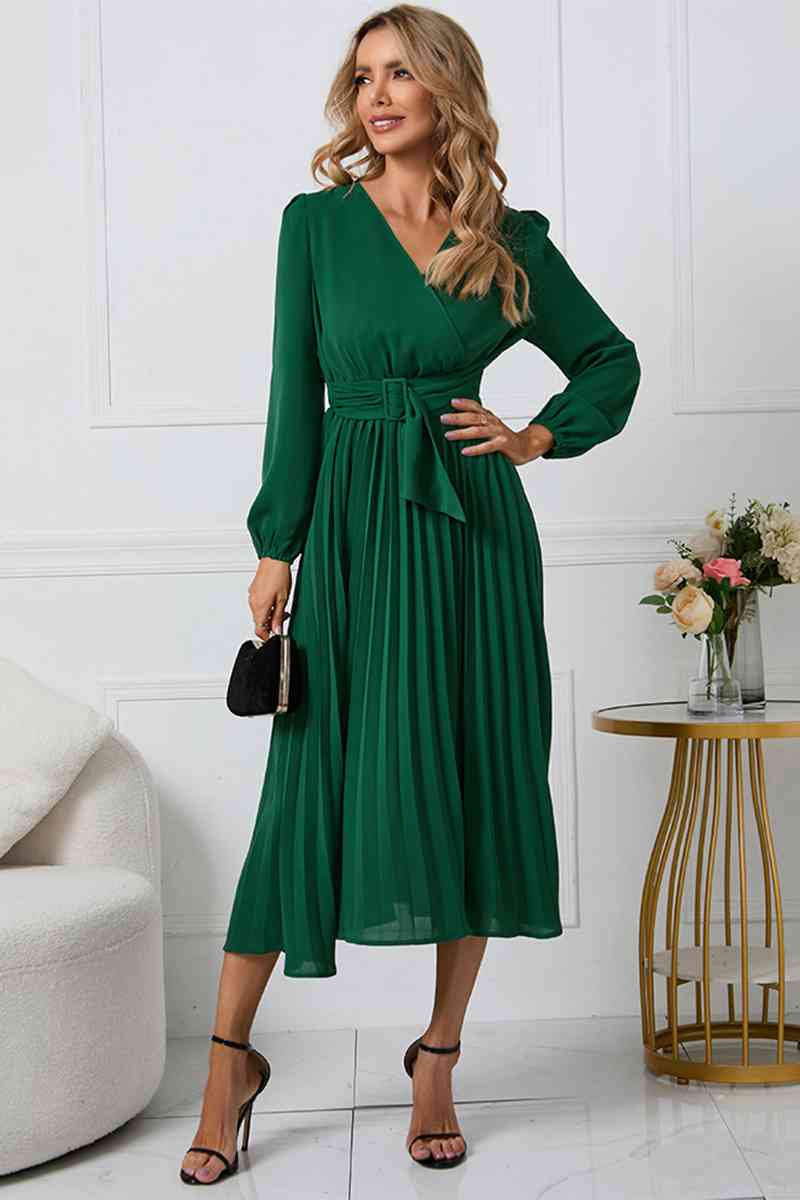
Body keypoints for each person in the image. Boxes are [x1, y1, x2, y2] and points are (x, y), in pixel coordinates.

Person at [180, 2, 641, 1183]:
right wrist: (276, 545)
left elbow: (608, 357)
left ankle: (436, 1057)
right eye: (362, 76)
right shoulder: (316, 225)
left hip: (471, 533)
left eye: (398, 74)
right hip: (351, 527)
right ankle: (228, 1065)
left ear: (446, 90)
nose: (375, 95)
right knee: (307, 786)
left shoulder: (505, 238)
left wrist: (536, 435)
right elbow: (294, 391)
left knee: (475, 772)